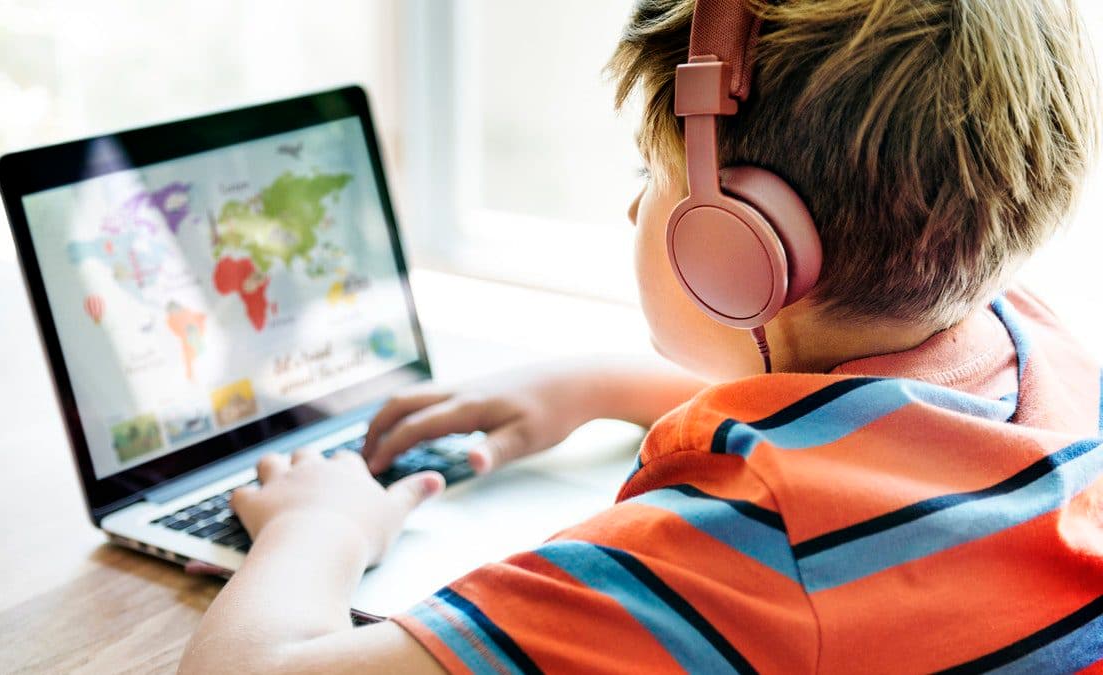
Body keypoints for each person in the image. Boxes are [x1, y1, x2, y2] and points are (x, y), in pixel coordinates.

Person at [178, 0, 1102, 672]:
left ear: (739, 244)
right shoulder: (1036, 344)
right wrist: (595, 387)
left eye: (648, 172)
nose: (631, 204)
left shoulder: (743, 552)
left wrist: (317, 527)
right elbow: (877, 441)